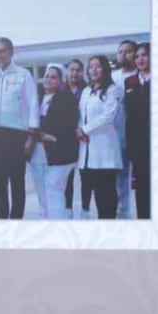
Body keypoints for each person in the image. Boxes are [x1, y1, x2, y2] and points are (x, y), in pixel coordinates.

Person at [0, 37, 39, 219]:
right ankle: (1, 219)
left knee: (17, 181)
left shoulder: (23, 75)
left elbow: (33, 104)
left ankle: (16, 220)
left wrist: (31, 135)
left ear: (11, 53)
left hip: (16, 135)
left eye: (2, 51)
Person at [28, 64, 79, 219]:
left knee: (54, 189)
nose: (49, 80)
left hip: (58, 151)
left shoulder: (66, 98)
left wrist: (51, 137)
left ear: (61, 81)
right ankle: (44, 216)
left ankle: (58, 220)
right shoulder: (37, 97)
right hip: (37, 151)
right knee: (40, 188)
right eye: (47, 76)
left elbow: (69, 125)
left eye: (53, 77)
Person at [77, 55, 123, 219]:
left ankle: (109, 221)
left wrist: (85, 130)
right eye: (91, 67)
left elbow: (108, 116)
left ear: (105, 69)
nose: (94, 70)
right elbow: (82, 116)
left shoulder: (112, 89)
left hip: (105, 148)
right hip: (88, 149)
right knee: (95, 192)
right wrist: (80, 129)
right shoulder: (86, 91)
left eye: (98, 66)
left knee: (107, 193)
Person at [125, 42, 151, 219]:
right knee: (141, 189)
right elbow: (130, 115)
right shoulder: (130, 82)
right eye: (137, 56)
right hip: (137, 144)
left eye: (144, 55)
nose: (140, 59)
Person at [114, 39, 138, 218]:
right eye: (120, 51)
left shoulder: (142, 75)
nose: (124, 54)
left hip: (138, 136)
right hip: (118, 137)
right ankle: (123, 214)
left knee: (140, 180)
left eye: (128, 51)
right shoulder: (112, 77)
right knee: (120, 179)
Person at [64, 58, 90, 219]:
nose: (74, 73)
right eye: (72, 70)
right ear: (67, 72)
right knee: (68, 176)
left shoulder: (88, 90)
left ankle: (85, 209)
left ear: (82, 72)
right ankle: (67, 209)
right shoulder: (61, 90)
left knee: (86, 176)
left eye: (78, 70)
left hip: (84, 138)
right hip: (66, 140)